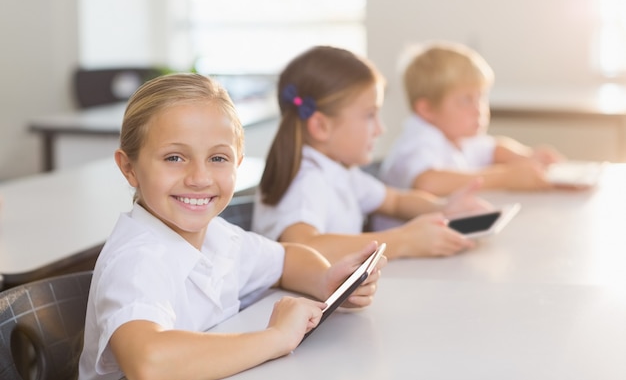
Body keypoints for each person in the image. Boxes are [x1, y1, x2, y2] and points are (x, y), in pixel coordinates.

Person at [78, 73, 386, 380]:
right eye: (174, 157)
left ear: (237, 164)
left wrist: (325, 279)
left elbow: (286, 259)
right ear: (129, 168)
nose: (199, 178)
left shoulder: (218, 236)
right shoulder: (136, 260)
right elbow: (150, 363)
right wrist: (276, 337)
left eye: (217, 158)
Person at [252, 45, 491, 264]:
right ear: (321, 126)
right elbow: (302, 247)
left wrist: (445, 207)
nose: (380, 129)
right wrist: (404, 240)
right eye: (369, 115)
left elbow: (395, 201)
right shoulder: (305, 181)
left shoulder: (339, 170)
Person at [378, 41, 565, 198]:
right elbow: (428, 183)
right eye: (466, 100)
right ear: (427, 109)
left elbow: (494, 148)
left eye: (481, 97)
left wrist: (527, 156)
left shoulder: (458, 135)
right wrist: (506, 177)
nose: (479, 109)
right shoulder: (417, 142)